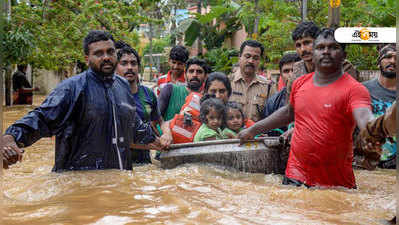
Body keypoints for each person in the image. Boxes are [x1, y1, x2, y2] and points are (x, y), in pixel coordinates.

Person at [1, 30, 164, 171]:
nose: (106, 57)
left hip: (119, 178)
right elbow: (41, 117)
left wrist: (158, 141)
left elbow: (132, 123)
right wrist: (10, 137)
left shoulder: (122, 85)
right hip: (79, 180)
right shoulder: (72, 88)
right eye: (99, 53)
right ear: (87, 59)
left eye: (110, 52)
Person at [238, 28, 374, 189]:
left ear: (343, 56)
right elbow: (289, 112)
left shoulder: (354, 89)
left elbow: (365, 117)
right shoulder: (299, 83)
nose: (326, 52)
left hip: (336, 184)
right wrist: (253, 130)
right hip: (294, 176)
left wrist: (375, 132)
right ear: (314, 54)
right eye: (320, 48)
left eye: (333, 47)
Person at [115, 45, 172, 164]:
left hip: (145, 161)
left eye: (133, 63)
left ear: (138, 68)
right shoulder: (110, 96)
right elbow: (118, 137)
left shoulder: (148, 94)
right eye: (124, 63)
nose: (129, 67)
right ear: (115, 68)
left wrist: (166, 134)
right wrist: (155, 145)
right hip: (119, 161)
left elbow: (160, 121)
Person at [361, 43, 396, 169]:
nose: (393, 61)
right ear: (379, 62)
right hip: (367, 161)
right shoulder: (362, 90)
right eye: (388, 57)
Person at [230, 40, 275, 122]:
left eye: (255, 58)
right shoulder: (227, 83)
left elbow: (273, 116)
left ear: (260, 61)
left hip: (257, 134)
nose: (251, 61)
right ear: (239, 57)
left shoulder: (268, 87)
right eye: (247, 56)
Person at [262, 52, 301, 136]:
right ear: (281, 75)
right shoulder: (273, 102)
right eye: (286, 71)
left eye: (294, 70)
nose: (291, 75)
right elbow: (268, 133)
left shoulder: (315, 95)